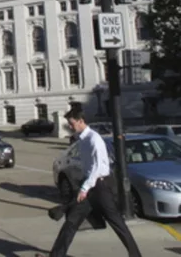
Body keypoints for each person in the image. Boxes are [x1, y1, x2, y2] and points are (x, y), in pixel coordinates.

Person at [36, 108, 142, 257]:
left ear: (81, 121)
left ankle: (136, 255)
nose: (70, 126)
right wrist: (84, 186)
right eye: (69, 124)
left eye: (72, 123)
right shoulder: (82, 139)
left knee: (117, 222)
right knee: (71, 223)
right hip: (89, 186)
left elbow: (97, 168)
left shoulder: (94, 139)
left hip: (100, 186)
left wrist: (84, 188)